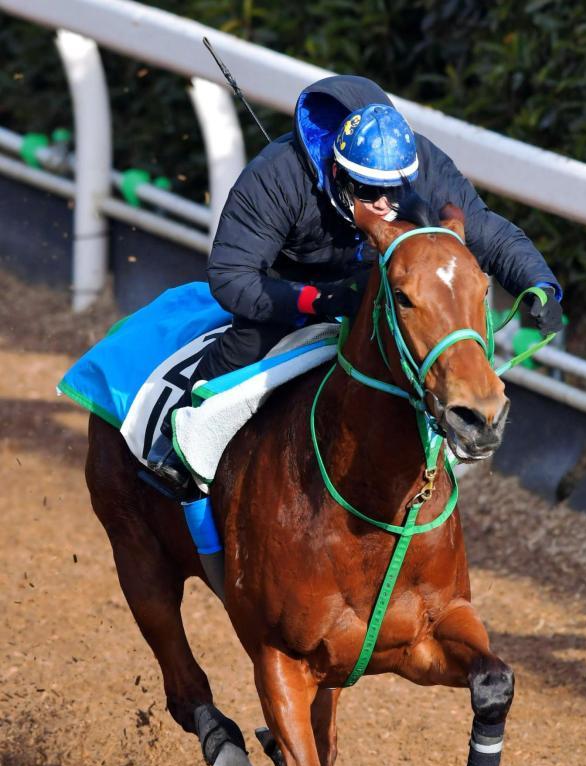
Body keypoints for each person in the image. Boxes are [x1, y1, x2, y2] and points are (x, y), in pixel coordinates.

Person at [147, 75, 562, 490]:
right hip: (290, 290)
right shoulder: (276, 177)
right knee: (247, 341)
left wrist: (539, 282)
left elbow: (488, 231)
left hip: (381, 283)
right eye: (367, 191)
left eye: (394, 191)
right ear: (337, 171)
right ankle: (176, 441)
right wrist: (318, 300)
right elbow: (230, 277)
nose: (383, 205)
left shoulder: (421, 163)